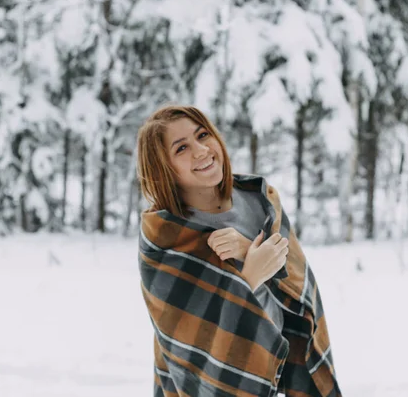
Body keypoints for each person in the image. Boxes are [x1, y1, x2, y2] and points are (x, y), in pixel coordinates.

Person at [137, 104, 341, 397]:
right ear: (162, 169)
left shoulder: (259, 201)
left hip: (280, 373)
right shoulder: (164, 237)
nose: (201, 150)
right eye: (181, 148)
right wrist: (250, 278)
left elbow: (297, 287)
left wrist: (249, 250)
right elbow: (194, 342)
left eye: (203, 135)